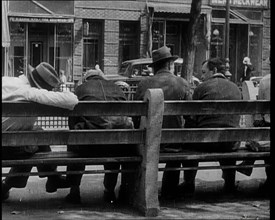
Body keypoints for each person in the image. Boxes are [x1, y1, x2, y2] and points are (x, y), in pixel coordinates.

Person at [2, 62, 79, 201]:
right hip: (6, 147)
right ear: (41, 86)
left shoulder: (6, 80)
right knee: (34, 142)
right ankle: (50, 178)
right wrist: (61, 88)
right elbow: (72, 100)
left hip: (7, 138)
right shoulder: (31, 93)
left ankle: (51, 178)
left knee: (36, 133)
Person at [65, 69, 134, 204]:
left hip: (88, 148)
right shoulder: (117, 88)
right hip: (116, 146)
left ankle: (74, 191)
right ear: (102, 77)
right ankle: (109, 191)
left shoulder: (80, 89)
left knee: (74, 139)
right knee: (114, 141)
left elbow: (72, 122)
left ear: (86, 80)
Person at [133, 45, 193, 199]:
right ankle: (169, 190)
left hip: (147, 142)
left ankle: (134, 189)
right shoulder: (182, 83)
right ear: (169, 64)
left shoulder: (144, 84)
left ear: (155, 67)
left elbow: (133, 116)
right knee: (177, 144)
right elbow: (191, 116)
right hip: (174, 143)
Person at [177, 58, 242, 196]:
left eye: (204, 72)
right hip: (229, 143)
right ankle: (229, 184)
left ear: (215, 71)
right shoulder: (236, 88)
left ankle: (189, 182)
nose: (201, 76)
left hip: (204, 143)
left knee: (189, 140)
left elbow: (191, 117)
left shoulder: (201, 88)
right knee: (228, 133)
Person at [237, 72, 270, 192]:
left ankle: (248, 164)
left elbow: (261, 109)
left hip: (267, 130)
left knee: (260, 136)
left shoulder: (265, 81)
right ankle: (247, 164)